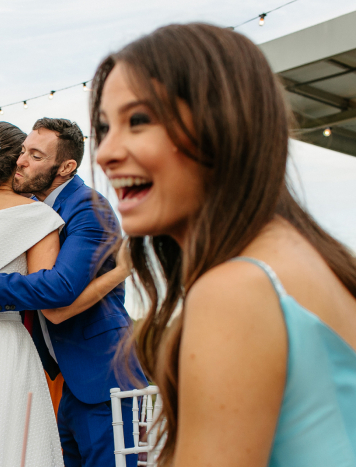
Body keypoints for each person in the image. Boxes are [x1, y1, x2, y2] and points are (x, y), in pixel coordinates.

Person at [94, 23, 356, 467]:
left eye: (138, 121)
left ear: (221, 123)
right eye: (104, 127)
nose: (104, 152)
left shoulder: (236, 289)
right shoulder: (314, 260)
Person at [0, 118, 146, 467]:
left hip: (98, 371)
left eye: (34, 155)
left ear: (66, 167)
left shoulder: (87, 207)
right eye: (22, 152)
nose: (21, 161)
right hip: (56, 373)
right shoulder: (33, 204)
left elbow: (59, 287)